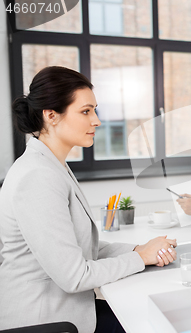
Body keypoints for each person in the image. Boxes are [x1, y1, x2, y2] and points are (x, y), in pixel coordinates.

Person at [0, 66, 178, 333]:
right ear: (51, 116)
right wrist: (141, 257)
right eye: (86, 111)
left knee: (147, 312)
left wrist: (139, 249)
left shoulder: (52, 165)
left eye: (94, 110)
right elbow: (74, 275)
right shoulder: (37, 177)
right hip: (45, 319)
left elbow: (81, 248)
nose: (96, 121)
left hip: (66, 308)